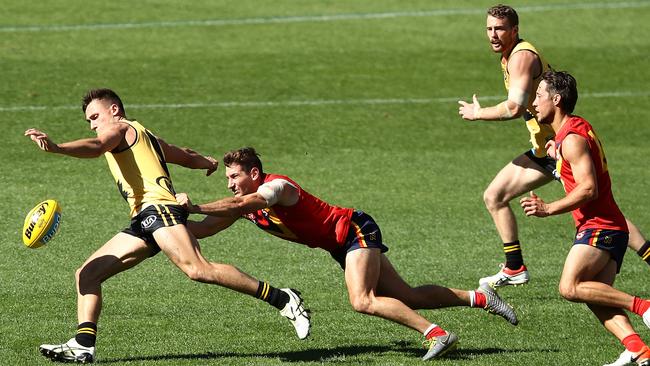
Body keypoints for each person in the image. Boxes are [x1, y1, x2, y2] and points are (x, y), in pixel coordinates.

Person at [24, 89, 310, 364]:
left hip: (158, 209)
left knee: (198, 269)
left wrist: (57, 147)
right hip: (143, 219)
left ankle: (283, 298)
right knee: (87, 274)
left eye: (95, 117)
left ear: (114, 110)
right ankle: (83, 346)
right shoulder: (144, 136)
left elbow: (97, 147)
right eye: (88, 121)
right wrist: (204, 162)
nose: (92, 125)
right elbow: (181, 153)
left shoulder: (120, 129)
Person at [175, 147, 519, 361]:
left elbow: (238, 202)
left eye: (234, 176)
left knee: (363, 300)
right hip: (342, 245)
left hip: (354, 229)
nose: (230, 184)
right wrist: (164, 228)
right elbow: (204, 229)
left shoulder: (276, 187)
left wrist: (197, 205)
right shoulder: (245, 207)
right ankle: (481, 297)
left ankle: (438, 335)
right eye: (228, 178)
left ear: (253, 173)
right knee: (406, 296)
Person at [458, 4, 650, 288]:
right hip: (544, 149)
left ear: (514, 30)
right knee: (495, 196)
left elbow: (514, 106)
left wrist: (478, 113)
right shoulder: (510, 55)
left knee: (602, 212)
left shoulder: (521, 57)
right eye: (489, 28)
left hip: (561, 147)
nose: (493, 35)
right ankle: (514, 268)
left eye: (499, 29)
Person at [520, 70, 650, 365]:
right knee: (596, 294)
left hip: (600, 226)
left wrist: (549, 208)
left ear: (556, 99)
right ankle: (638, 349)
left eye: (539, 96)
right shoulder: (574, 131)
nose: (534, 103)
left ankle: (644, 307)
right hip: (610, 226)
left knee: (569, 287)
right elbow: (577, 169)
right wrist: (558, 157)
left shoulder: (572, 140)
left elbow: (588, 188)